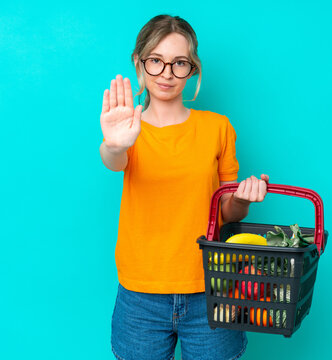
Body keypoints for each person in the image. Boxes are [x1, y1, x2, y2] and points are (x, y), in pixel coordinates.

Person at [99, 14, 269, 360]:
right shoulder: (128, 129)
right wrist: (116, 144)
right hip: (140, 296)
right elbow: (113, 159)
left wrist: (241, 199)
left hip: (212, 287)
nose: (166, 73)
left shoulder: (217, 128)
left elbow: (226, 211)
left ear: (193, 68)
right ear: (139, 62)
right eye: (156, 61)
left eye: (179, 63)